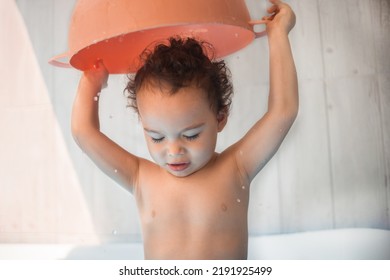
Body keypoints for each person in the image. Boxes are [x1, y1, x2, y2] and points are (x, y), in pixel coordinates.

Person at [71, 0, 298, 259]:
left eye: (191, 135)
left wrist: (278, 34)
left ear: (220, 118)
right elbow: (83, 133)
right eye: (156, 137)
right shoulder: (140, 177)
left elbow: (283, 111)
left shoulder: (236, 168)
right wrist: (91, 81)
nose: (173, 150)